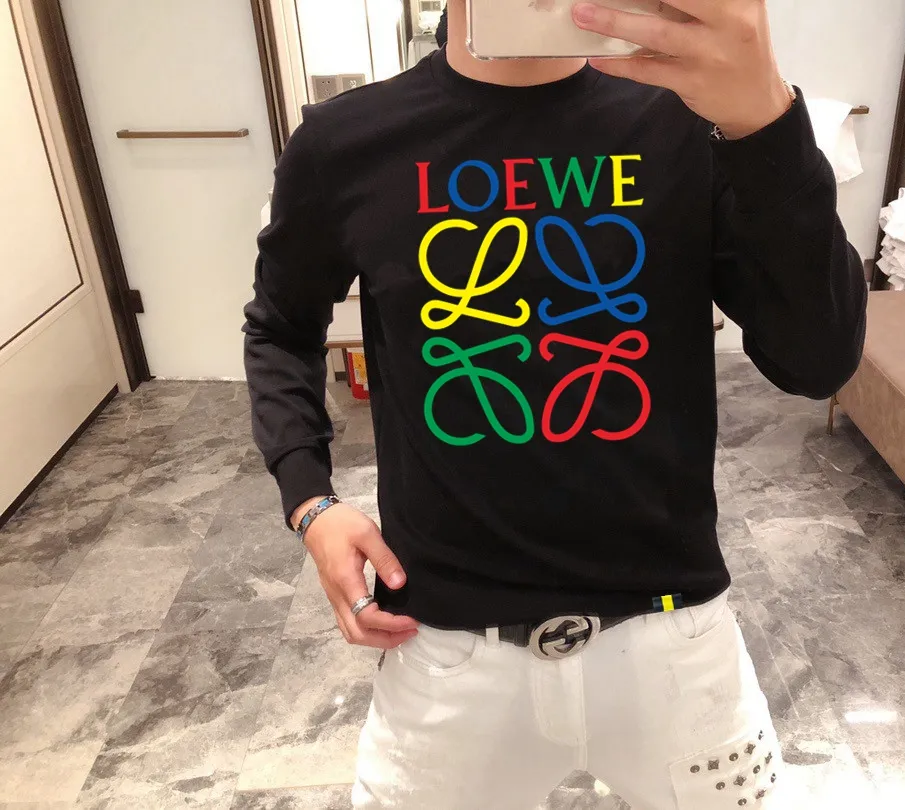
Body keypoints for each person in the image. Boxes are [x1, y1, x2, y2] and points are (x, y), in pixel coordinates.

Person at [243, 1, 867, 807]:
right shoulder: (345, 141)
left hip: (675, 643)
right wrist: (310, 501)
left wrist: (768, 125)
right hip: (446, 653)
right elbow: (280, 325)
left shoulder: (689, 122)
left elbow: (817, 361)